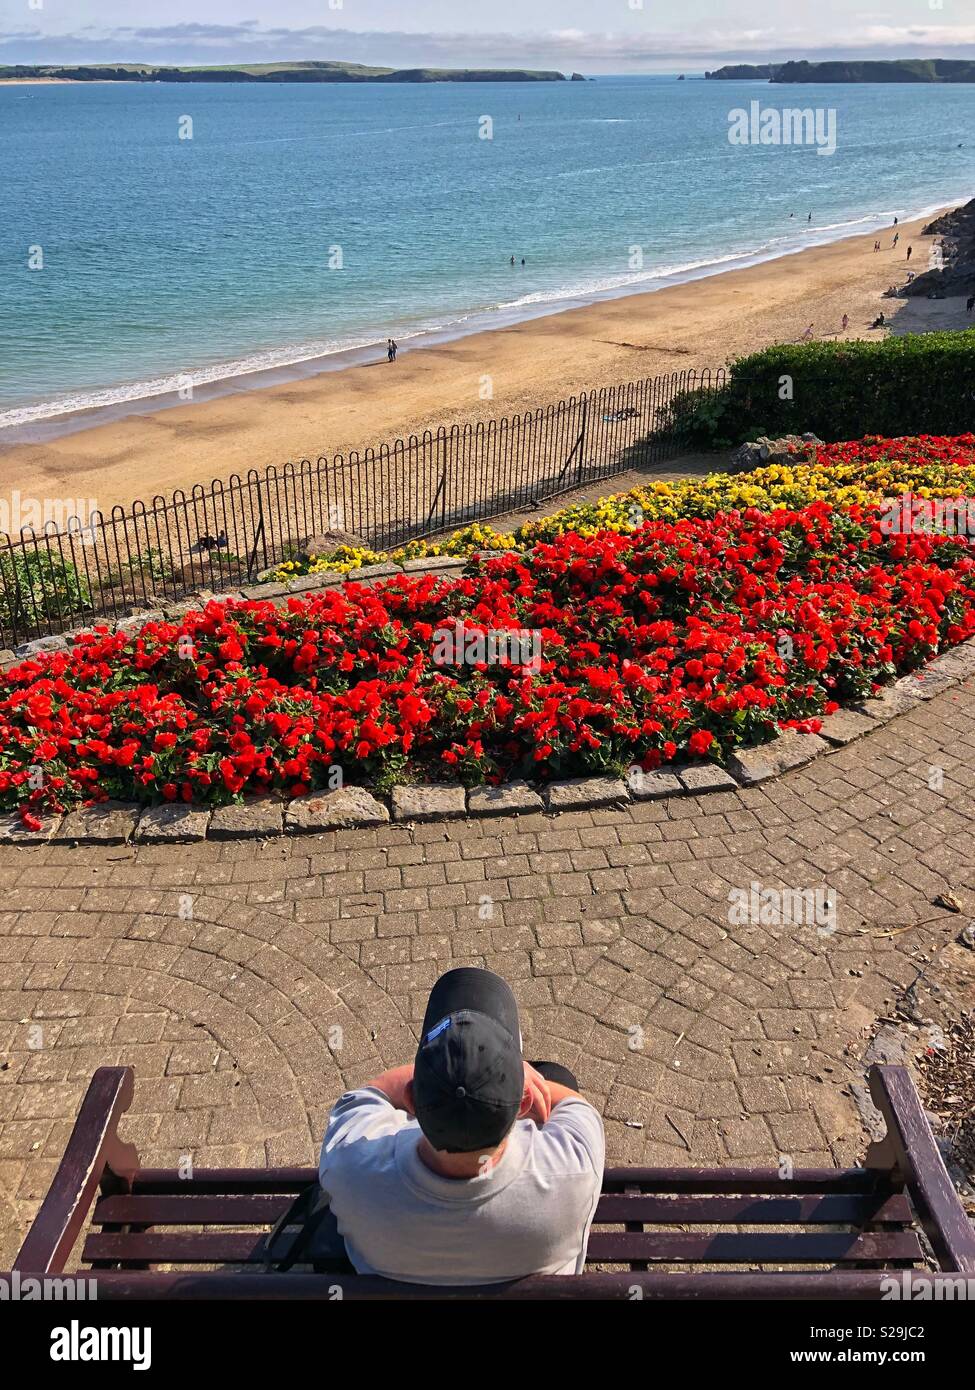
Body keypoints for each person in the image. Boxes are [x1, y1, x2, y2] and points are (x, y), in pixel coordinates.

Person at [318, 967, 605, 1285]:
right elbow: (569, 1102)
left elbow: (373, 1094)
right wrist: (515, 1072)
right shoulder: (575, 1165)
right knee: (555, 1075)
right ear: (522, 1104)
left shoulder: (348, 1162)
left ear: (411, 1101)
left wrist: (440, 1072)